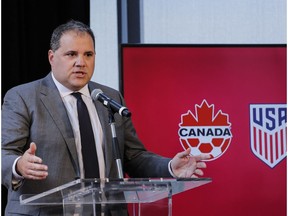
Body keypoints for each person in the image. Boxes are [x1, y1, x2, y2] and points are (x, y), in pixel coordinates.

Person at [1, 20, 210, 216]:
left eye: (88, 54)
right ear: (52, 57)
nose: (81, 62)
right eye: (71, 54)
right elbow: (3, 153)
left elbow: (133, 156)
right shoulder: (23, 97)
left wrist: (170, 167)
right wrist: (19, 165)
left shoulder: (109, 98)